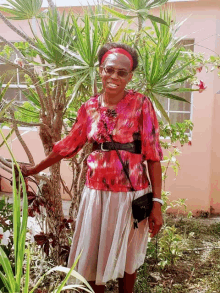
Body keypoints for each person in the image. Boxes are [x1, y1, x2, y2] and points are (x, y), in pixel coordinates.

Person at [21, 43, 163, 293]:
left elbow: (153, 156)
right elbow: (66, 147)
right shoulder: (89, 108)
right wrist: (33, 170)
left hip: (132, 195)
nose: (114, 77)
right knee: (94, 256)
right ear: (100, 70)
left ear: (130, 76)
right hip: (96, 194)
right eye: (110, 70)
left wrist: (158, 204)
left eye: (122, 72)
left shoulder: (141, 104)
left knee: (127, 259)